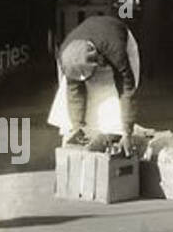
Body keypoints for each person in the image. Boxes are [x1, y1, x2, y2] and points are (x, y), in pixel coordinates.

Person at [59, 12, 137, 149]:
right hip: (92, 42)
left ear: (98, 62)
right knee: (72, 108)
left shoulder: (116, 51)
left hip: (116, 36)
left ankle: (116, 135)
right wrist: (77, 127)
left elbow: (127, 90)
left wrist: (127, 132)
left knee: (112, 101)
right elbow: (74, 92)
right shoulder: (67, 55)